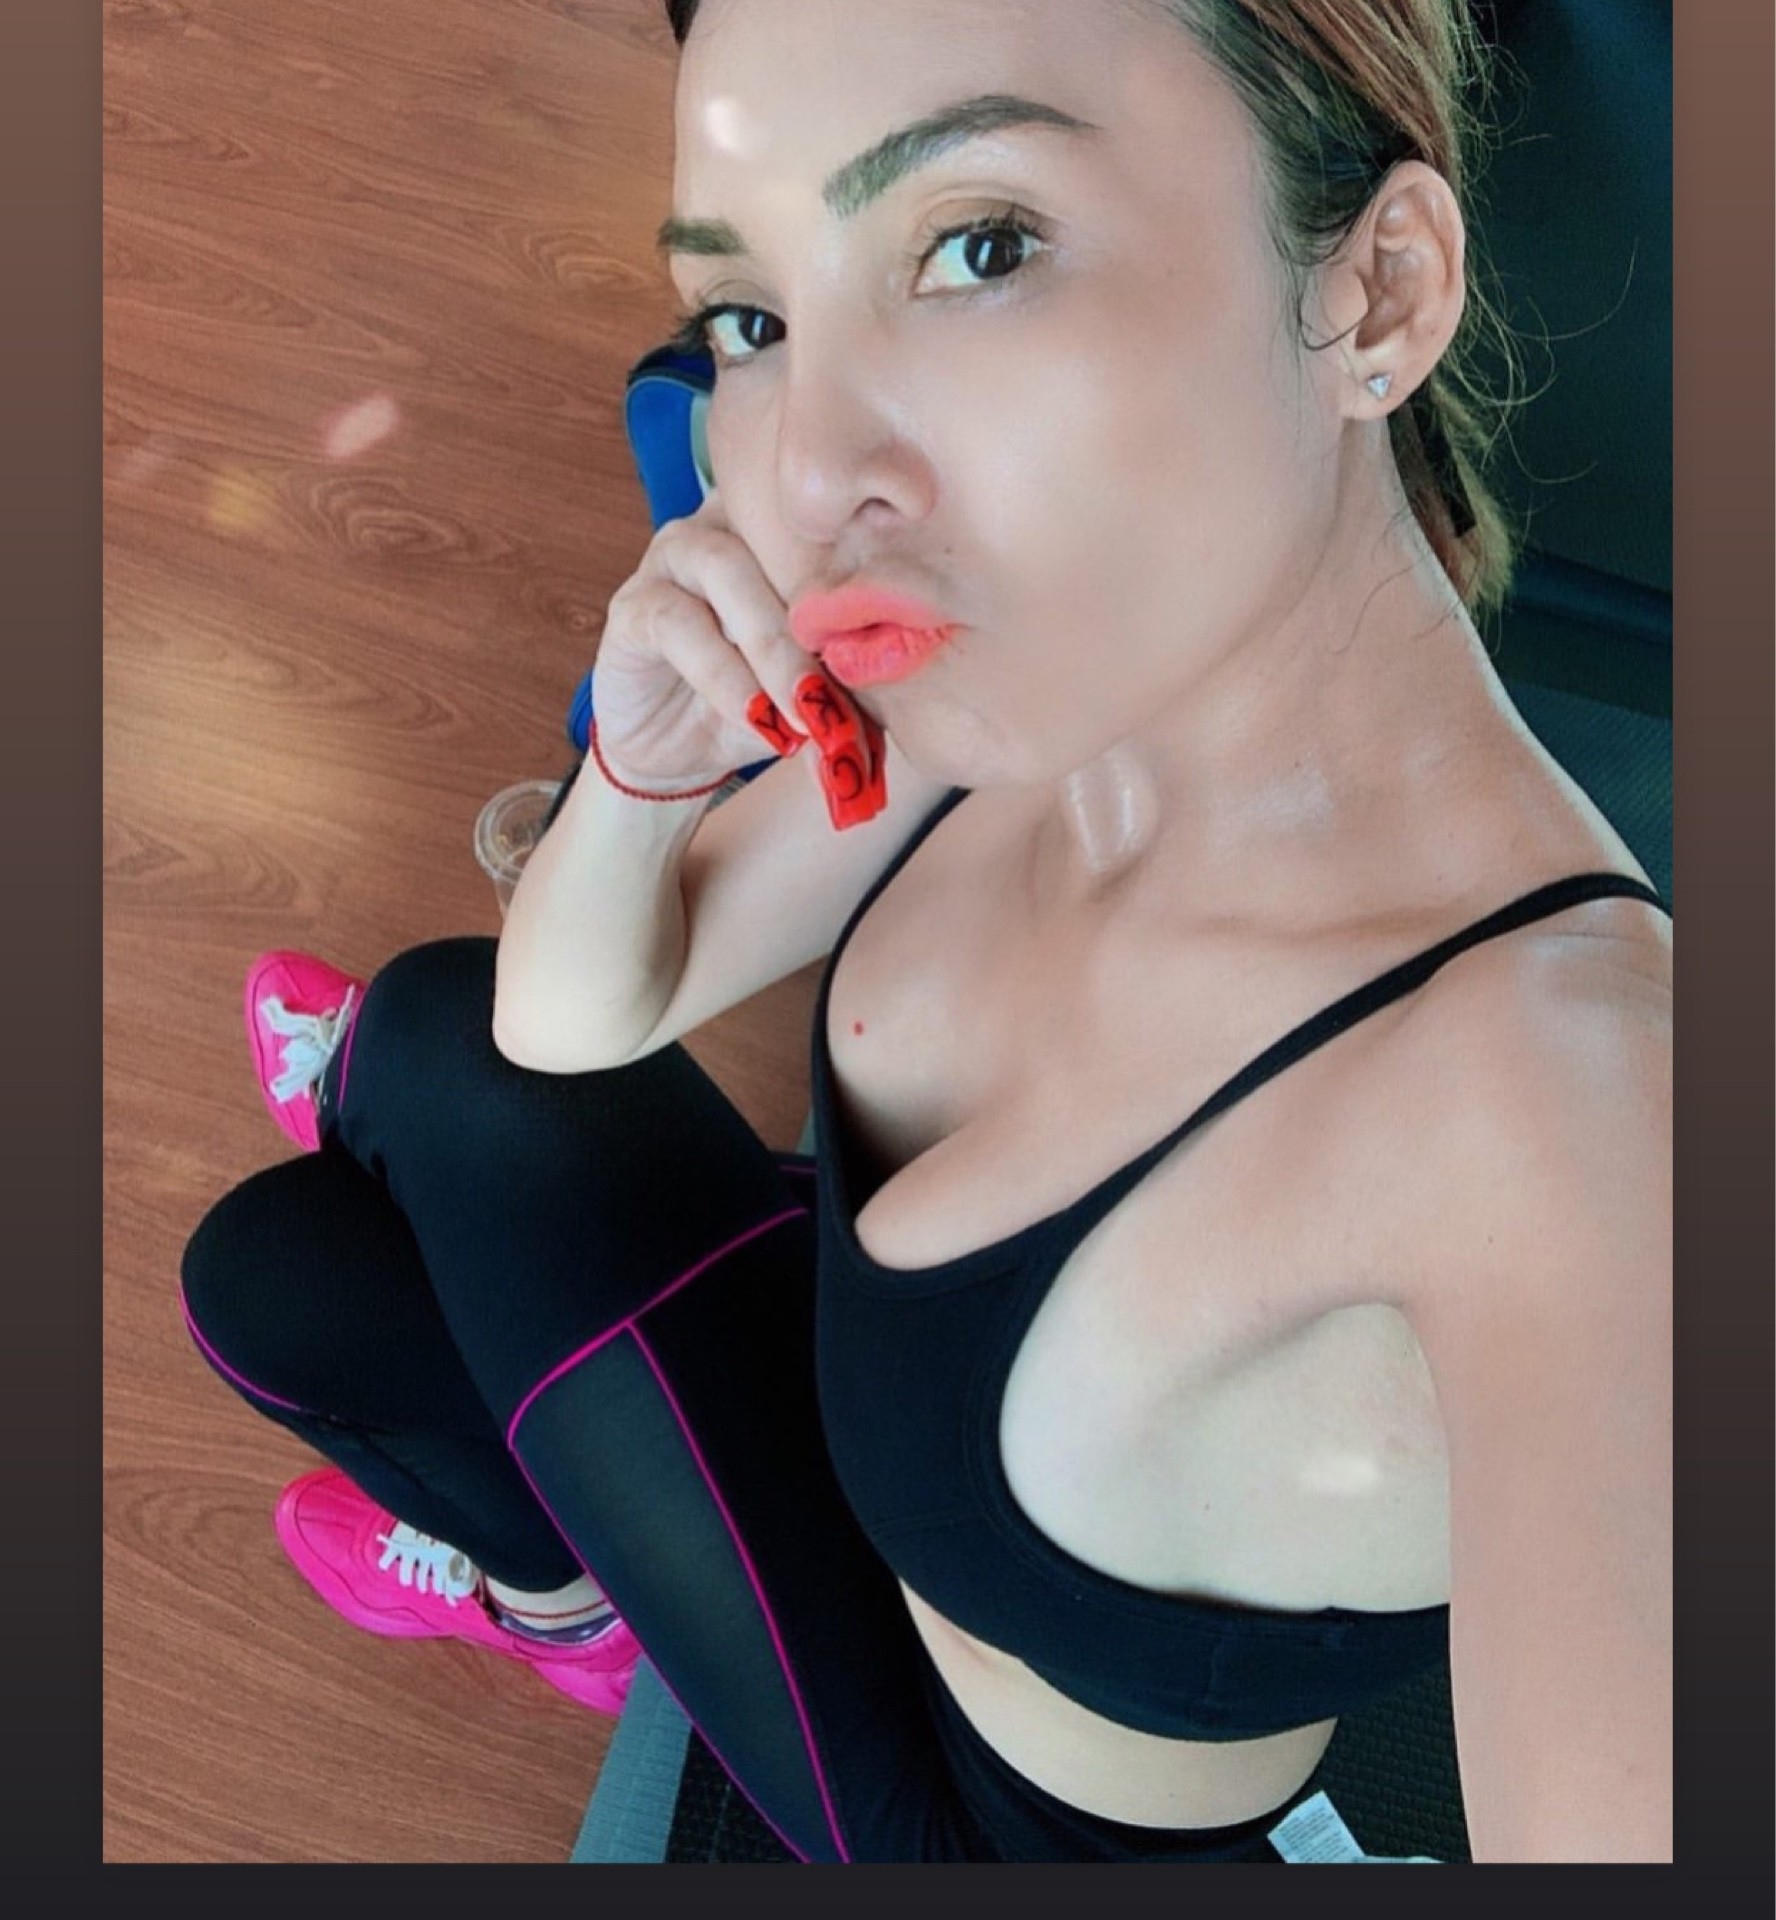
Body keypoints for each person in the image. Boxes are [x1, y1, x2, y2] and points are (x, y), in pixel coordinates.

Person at [179, 0, 1672, 1863]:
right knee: (397, 1086)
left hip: (982, 1824)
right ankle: (567, 1606)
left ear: (1378, 292)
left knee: (304, 1254)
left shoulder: (1574, 1120)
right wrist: (638, 775)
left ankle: (561, 1603)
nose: (805, 482)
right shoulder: (1030, 696)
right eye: (750, 320)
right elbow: (566, 1025)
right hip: (885, 1462)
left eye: (980, 246)